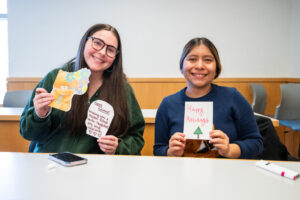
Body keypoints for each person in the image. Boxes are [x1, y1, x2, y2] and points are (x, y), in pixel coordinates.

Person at [20, 24, 145, 155]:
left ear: (116, 57)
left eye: (111, 49)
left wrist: (118, 147)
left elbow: (136, 138)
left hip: (96, 169)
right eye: (97, 43)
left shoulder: (123, 90)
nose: (102, 52)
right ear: (85, 42)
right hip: (50, 165)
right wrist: (39, 115)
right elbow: (27, 132)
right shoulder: (55, 78)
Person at [154, 37, 263, 159]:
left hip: (227, 174)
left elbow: (256, 143)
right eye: (192, 59)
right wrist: (171, 152)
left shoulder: (233, 97)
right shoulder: (168, 104)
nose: (200, 66)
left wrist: (229, 149)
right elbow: (158, 149)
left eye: (207, 60)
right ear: (182, 65)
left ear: (216, 67)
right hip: (182, 174)